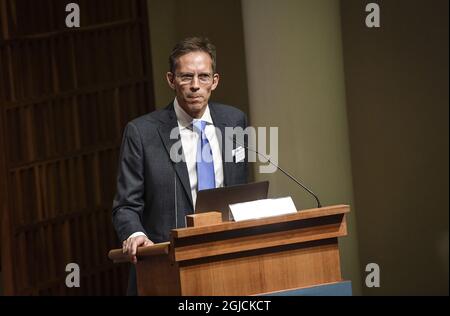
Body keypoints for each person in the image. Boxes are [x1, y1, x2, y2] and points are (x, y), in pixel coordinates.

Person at [112, 37, 248, 295]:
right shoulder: (142, 132)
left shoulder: (234, 121)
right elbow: (125, 206)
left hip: (227, 265)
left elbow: (239, 193)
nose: (195, 86)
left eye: (203, 77)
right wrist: (134, 234)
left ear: (215, 81)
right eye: (186, 77)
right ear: (171, 80)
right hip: (166, 269)